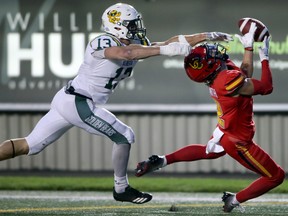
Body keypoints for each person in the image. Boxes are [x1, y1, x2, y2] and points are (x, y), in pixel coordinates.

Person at [0, 3, 232, 205]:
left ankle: (121, 188)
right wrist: (164, 50)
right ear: (117, 25)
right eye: (132, 24)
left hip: (71, 99)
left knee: (30, 145)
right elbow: (127, 53)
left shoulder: (132, 44)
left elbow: (167, 42)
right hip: (79, 101)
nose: (137, 28)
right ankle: (121, 188)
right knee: (125, 135)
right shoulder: (105, 41)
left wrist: (205, 35)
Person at [135, 22, 285, 211]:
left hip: (225, 130)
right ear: (210, 66)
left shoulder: (220, 76)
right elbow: (266, 87)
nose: (214, 51)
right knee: (276, 176)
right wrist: (265, 57)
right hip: (237, 140)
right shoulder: (225, 80)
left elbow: (244, 75)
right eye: (210, 54)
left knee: (210, 151)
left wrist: (249, 47)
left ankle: (162, 160)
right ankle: (234, 200)